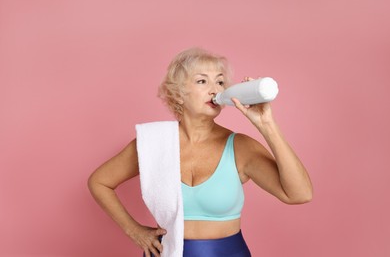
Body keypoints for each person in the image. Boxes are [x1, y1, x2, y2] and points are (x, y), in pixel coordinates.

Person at [88, 47, 313, 257]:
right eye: (202, 81)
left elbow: (299, 194)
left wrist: (267, 125)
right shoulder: (153, 144)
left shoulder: (240, 147)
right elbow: (99, 182)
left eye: (220, 82)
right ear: (178, 94)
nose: (215, 89)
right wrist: (134, 231)